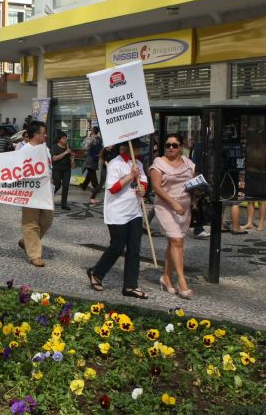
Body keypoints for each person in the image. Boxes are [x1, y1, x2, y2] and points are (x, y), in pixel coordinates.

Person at [87, 139, 149, 299]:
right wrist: (130, 175)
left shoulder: (139, 164)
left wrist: (142, 189)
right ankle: (96, 272)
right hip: (117, 212)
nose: (140, 150)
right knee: (117, 246)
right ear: (130, 148)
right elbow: (113, 188)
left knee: (134, 249)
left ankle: (130, 286)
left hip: (134, 212)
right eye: (138, 147)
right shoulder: (116, 163)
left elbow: (143, 182)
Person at [150, 134, 196, 299]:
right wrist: (173, 203)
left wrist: (195, 197)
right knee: (177, 240)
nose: (170, 148)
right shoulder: (158, 163)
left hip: (184, 207)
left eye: (174, 145)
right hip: (166, 206)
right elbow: (156, 188)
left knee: (174, 242)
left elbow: (193, 183)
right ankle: (181, 281)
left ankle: (166, 277)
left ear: (181, 147)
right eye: (168, 145)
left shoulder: (188, 163)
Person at [17, 120, 54, 267]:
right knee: (31, 223)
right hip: (30, 192)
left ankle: (26, 241)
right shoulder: (24, 151)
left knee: (47, 220)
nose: (46, 135)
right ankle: (34, 255)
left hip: (45, 191)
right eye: (43, 133)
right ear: (35, 135)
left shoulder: (45, 149)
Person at [51, 131, 74, 210]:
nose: (65, 139)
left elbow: (72, 155)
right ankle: (48, 198)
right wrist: (65, 153)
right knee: (57, 185)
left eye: (66, 138)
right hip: (57, 169)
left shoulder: (68, 146)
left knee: (66, 186)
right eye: (63, 138)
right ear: (59, 139)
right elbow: (54, 158)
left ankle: (64, 204)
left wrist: (72, 156)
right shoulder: (55, 147)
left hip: (67, 169)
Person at [80, 126, 102, 194]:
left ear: (92, 131)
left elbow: (84, 147)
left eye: (91, 130)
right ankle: (84, 185)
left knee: (92, 173)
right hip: (96, 157)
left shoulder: (89, 139)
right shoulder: (99, 139)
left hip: (90, 157)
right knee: (90, 172)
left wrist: (84, 147)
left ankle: (96, 188)